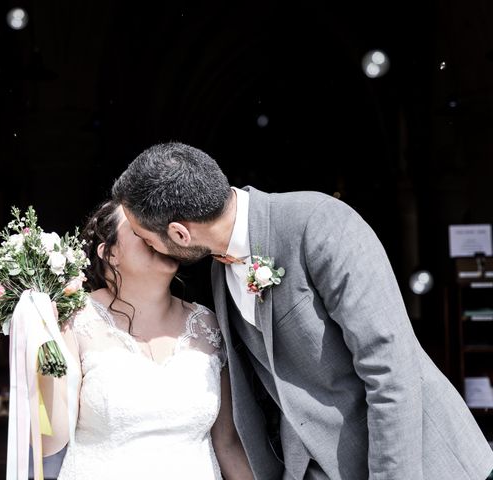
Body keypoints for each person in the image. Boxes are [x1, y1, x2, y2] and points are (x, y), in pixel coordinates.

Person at [111, 141, 493, 480]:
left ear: (179, 233)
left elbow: (392, 371)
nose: (152, 250)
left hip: (420, 465)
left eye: (147, 240)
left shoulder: (319, 224)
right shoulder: (219, 269)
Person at [38, 199, 254, 480]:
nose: (159, 233)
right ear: (110, 253)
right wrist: (42, 338)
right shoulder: (73, 321)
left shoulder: (207, 324)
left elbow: (227, 444)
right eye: (141, 228)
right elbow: (49, 441)